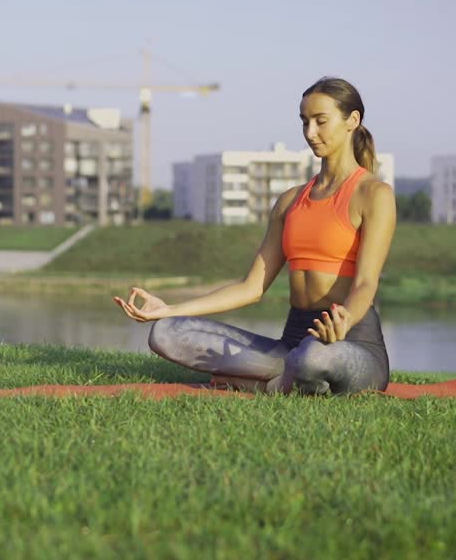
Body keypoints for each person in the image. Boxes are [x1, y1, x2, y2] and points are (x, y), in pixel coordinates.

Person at [113, 77, 396, 395]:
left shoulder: (373, 193)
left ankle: (272, 384)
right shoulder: (290, 201)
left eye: (320, 121)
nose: (310, 133)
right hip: (292, 345)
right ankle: (289, 381)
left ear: (352, 121)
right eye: (304, 122)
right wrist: (169, 309)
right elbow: (251, 287)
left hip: (349, 342)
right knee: (165, 333)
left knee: (313, 356)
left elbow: (365, 284)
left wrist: (343, 321)